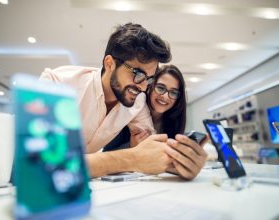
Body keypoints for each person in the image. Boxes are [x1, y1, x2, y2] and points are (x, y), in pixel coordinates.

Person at [40, 23, 206, 180]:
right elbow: (43, 165)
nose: (142, 87)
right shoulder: (57, 84)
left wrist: (182, 163)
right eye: (138, 74)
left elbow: (152, 151)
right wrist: (131, 158)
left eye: (148, 79)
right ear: (110, 63)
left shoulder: (138, 102)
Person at [104, 64, 208, 179]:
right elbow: (105, 156)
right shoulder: (129, 113)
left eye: (173, 92)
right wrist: (132, 147)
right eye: (161, 88)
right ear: (150, 87)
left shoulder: (173, 122)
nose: (165, 96)